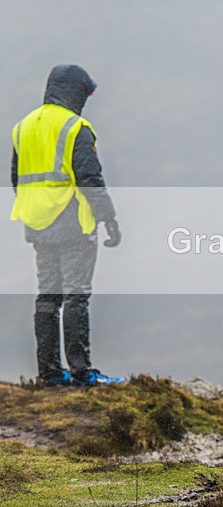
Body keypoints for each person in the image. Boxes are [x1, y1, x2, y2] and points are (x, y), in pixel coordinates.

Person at [10, 64, 124, 387]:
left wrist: (39, 211)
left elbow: (17, 179)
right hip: (74, 224)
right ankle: (82, 373)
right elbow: (90, 179)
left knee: (48, 297)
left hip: (38, 226)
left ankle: (49, 373)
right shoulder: (76, 128)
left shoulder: (23, 128)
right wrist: (109, 218)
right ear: (76, 93)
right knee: (76, 296)